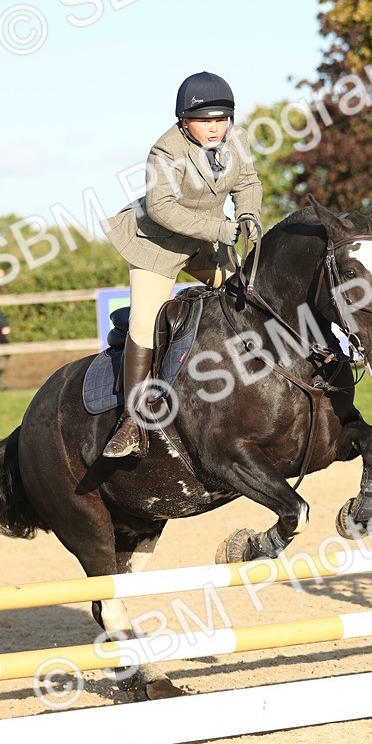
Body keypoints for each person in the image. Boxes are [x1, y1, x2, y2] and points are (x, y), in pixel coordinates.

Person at [100, 71, 263, 458]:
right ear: (184, 121)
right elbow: (160, 209)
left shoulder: (235, 141)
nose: (215, 128)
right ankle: (132, 423)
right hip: (157, 244)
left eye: (221, 119)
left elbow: (249, 183)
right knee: (144, 322)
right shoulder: (166, 151)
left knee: (248, 292)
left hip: (207, 241)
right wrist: (221, 228)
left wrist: (248, 214)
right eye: (206, 120)